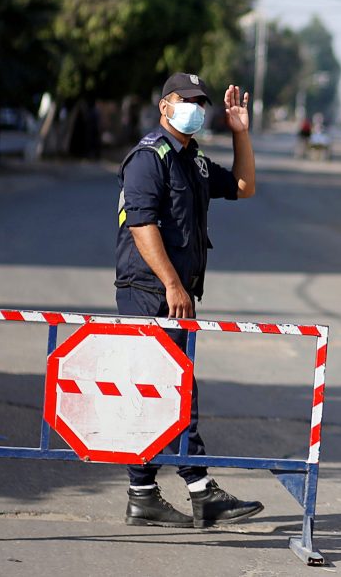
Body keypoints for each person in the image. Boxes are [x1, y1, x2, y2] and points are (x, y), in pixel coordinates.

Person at [115, 72, 262, 529]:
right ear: (165, 106)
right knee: (175, 390)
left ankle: (143, 495)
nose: (197, 107)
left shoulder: (192, 160)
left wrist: (241, 134)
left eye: (202, 101)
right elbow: (142, 226)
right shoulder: (148, 158)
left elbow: (243, 187)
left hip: (175, 296)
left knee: (160, 392)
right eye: (188, 100)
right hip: (149, 293)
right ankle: (201, 490)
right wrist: (173, 285)